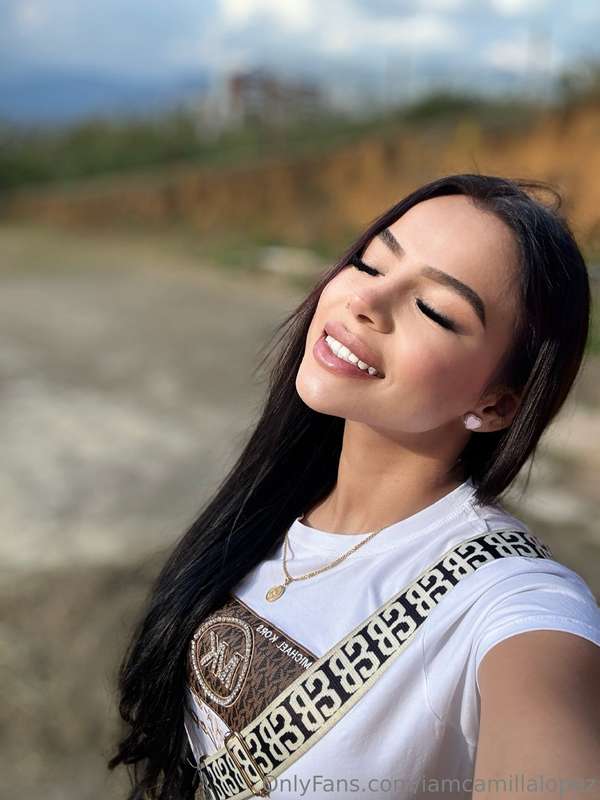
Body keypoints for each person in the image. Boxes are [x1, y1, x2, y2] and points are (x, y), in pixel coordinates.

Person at [108, 174, 600, 800]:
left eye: (433, 310)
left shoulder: (511, 600)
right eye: (370, 263)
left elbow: (549, 721)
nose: (367, 300)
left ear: (496, 404)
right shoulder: (271, 507)